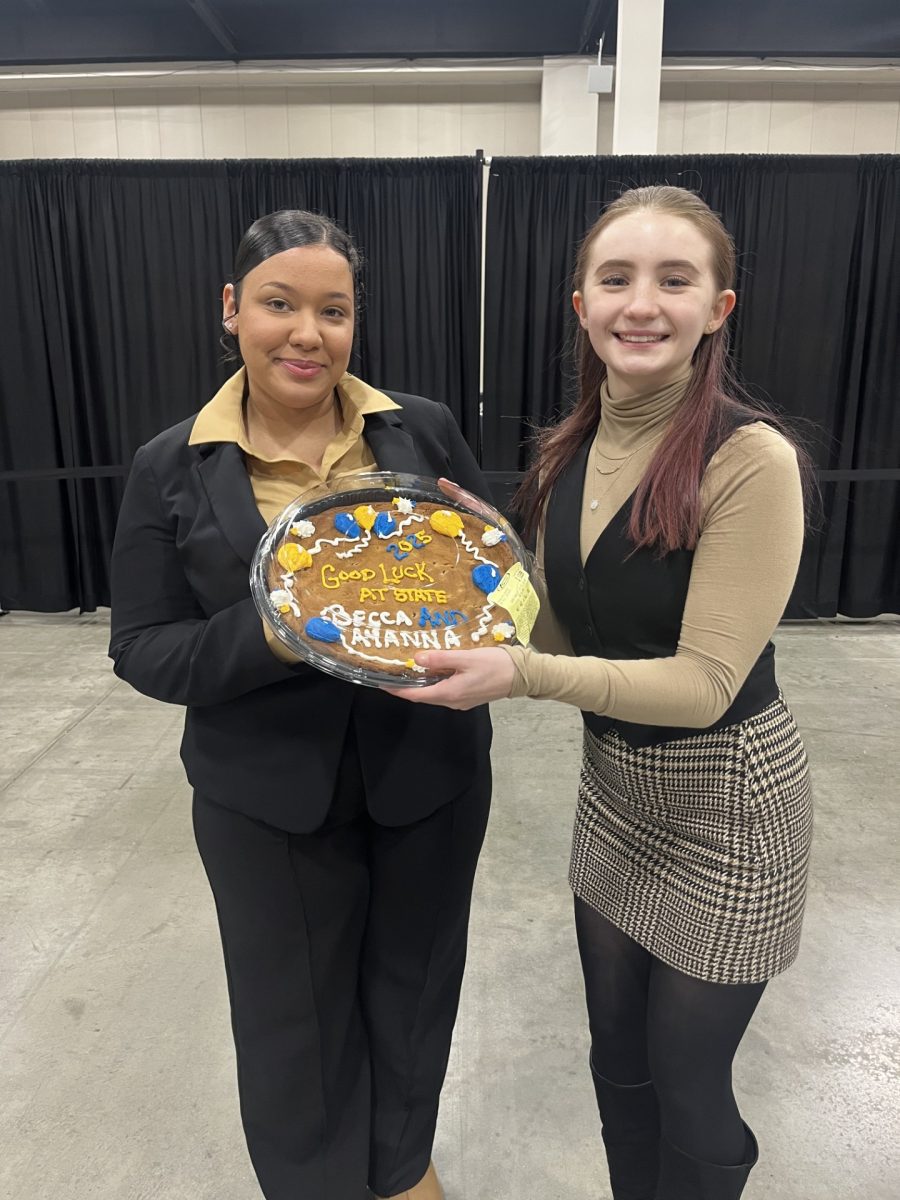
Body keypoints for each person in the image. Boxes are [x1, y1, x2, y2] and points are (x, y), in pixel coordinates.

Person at [387, 186, 814, 1199]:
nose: (642, 303)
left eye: (676, 280)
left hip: (730, 808)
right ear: (580, 305)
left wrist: (520, 673)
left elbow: (705, 684)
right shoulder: (570, 450)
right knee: (616, 1060)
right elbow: (567, 632)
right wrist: (485, 562)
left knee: (689, 1080)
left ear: (720, 308)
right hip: (616, 795)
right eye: (616, 279)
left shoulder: (750, 460)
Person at [108, 209, 494, 1200]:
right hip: (265, 799)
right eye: (280, 304)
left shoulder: (422, 427)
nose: (307, 333)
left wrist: (497, 574)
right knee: (292, 1022)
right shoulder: (170, 465)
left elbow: (484, 593)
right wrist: (278, 628)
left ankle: (404, 1169)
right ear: (232, 310)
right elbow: (144, 649)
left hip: (430, 778)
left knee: (414, 995)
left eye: (334, 310)